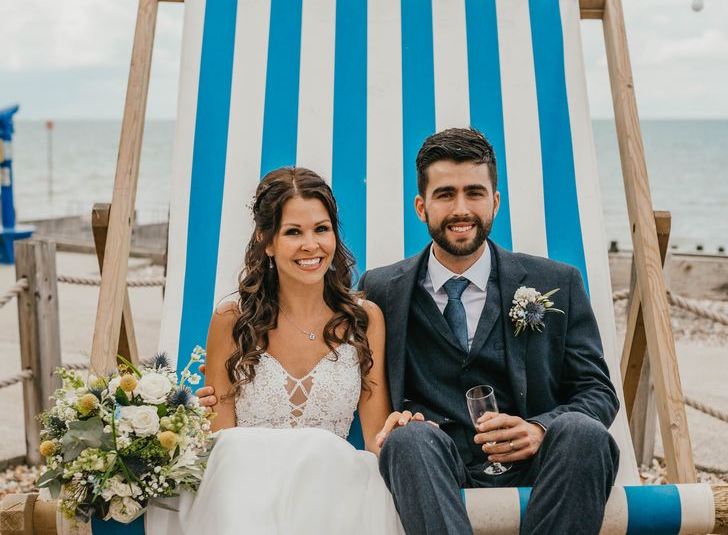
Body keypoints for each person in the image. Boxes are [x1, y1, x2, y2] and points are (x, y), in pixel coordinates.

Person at [198, 129, 620, 535]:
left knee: (584, 433)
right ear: (421, 206)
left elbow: (598, 393)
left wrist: (539, 429)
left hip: (539, 465)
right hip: (432, 470)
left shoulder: (556, 282)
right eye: (445, 194)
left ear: (495, 201)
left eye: (473, 192)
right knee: (409, 439)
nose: (461, 209)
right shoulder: (382, 293)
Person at [155, 167, 405, 535]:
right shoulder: (231, 320)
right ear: (267, 241)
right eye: (293, 232)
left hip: (333, 496)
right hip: (244, 497)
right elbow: (220, 439)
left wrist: (404, 436)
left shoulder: (365, 320)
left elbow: (374, 439)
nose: (311, 245)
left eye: (322, 229)